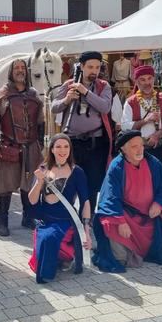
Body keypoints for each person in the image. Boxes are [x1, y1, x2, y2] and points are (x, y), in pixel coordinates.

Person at [92, 130, 162, 272]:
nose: (140, 150)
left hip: (148, 218)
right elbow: (109, 198)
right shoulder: (116, 167)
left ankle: (139, 252)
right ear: (123, 150)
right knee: (117, 246)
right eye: (134, 147)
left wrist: (159, 203)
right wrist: (120, 221)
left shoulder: (153, 163)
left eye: (141, 145)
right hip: (125, 216)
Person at [0, 59, 44, 236]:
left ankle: (28, 218)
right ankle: (2, 222)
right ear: (11, 72)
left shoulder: (34, 94)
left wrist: (41, 145)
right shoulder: (3, 94)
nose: (20, 71)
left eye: (22, 68)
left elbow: (41, 121)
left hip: (31, 146)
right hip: (8, 147)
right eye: (16, 68)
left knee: (29, 184)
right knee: (5, 187)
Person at [51, 51, 114, 210]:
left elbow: (105, 107)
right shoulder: (68, 84)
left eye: (97, 67)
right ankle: (67, 215)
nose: (94, 71)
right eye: (90, 67)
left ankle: (88, 215)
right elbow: (54, 107)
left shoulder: (103, 86)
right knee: (69, 180)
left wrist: (85, 92)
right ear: (82, 67)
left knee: (92, 184)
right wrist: (67, 99)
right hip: (72, 142)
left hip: (95, 143)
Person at [27, 133, 91, 283]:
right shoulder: (43, 169)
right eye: (58, 147)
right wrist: (39, 182)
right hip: (45, 220)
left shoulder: (77, 172)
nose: (62, 150)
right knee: (46, 238)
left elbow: (85, 201)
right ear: (52, 150)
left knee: (50, 238)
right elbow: (32, 200)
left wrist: (86, 232)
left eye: (66, 146)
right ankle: (54, 262)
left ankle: (48, 273)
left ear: (70, 149)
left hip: (66, 220)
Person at [121, 65, 162, 199]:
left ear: (154, 79)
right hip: (138, 149)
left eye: (149, 79)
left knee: (158, 182)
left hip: (159, 147)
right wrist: (145, 120)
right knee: (140, 184)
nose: (147, 83)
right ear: (136, 82)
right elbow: (125, 126)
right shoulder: (130, 102)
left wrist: (157, 135)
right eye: (142, 80)